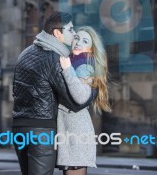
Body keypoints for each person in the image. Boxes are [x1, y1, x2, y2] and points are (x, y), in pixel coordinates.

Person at [12, 12, 98, 175]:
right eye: (71, 30)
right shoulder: (55, 58)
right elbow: (76, 102)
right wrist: (94, 89)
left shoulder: (24, 54)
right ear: (58, 33)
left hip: (18, 127)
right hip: (41, 130)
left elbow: (15, 90)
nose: (74, 35)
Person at [56, 26, 111, 175]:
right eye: (76, 38)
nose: (79, 42)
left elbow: (81, 97)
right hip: (70, 132)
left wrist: (67, 70)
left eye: (85, 41)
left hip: (76, 133)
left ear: (91, 49)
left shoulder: (84, 65)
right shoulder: (73, 61)